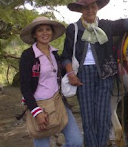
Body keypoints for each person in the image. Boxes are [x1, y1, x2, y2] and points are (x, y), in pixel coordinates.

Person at [61, 0, 128, 147]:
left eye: (93, 6)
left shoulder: (106, 25)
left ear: (97, 7)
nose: (90, 10)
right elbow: (66, 55)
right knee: (88, 119)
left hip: (105, 74)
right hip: (83, 76)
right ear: (81, 9)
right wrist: (70, 74)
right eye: (86, 7)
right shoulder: (73, 29)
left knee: (103, 117)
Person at [19, 16, 83, 147]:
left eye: (48, 29)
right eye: (40, 30)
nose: (45, 33)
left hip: (58, 101)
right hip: (39, 105)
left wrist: (73, 73)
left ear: (52, 33)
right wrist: (36, 112)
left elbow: (61, 74)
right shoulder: (28, 56)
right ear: (34, 34)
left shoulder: (54, 54)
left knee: (76, 141)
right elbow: (25, 87)